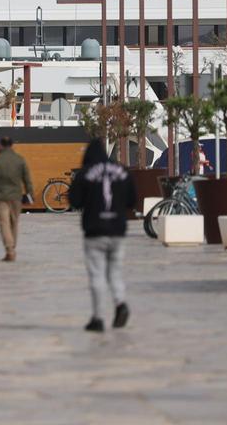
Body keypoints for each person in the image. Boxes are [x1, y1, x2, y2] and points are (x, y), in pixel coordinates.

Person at [68, 138, 136, 333]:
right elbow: (132, 200)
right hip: (118, 230)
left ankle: (97, 318)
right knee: (115, 272)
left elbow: (74, 201)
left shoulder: (85, 173)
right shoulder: (122, 171)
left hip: (95, 231)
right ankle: (120, 303)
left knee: (97, 274)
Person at [0, 136, 33, 261]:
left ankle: (9, 249)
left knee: (4, 223)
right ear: (12, 145)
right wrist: (30, 195)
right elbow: (27, 180)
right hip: (16, 197)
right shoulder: (20, 160)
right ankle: (12, 248)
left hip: (1, 197)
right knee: (14, 223)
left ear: (0, 145)